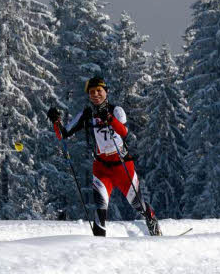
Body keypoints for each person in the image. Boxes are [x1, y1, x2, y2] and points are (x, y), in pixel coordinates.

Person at [47, 76, 161, 236]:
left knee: (138, 204)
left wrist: (109, 118)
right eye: (92, 92)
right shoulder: (87, 114)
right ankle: (98, 246)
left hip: (122, 165)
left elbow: (124, 132)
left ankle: (155, 229)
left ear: (105, 92)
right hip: (102, 168)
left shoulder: (116, 110)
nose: (95, 94)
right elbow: (63, 134)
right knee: (100, 207)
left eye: (99, 91)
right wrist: (55, 121)